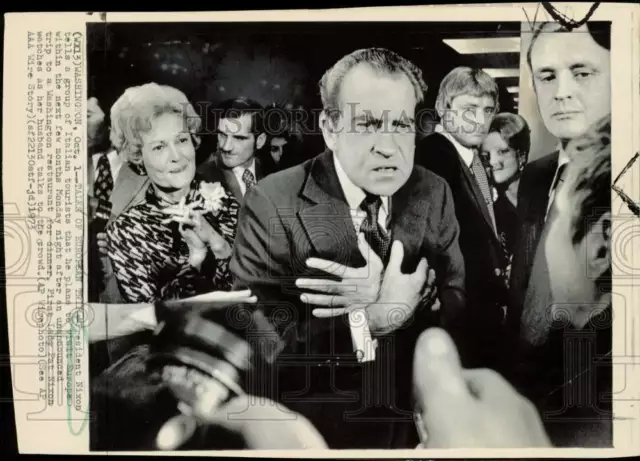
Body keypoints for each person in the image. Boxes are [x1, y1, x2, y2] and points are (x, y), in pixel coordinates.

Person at [228, 47, 466, 449]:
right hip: (324, 436)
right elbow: (261, 351)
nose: (388, 146)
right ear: (330, 127)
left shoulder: (433, 191)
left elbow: (459, 302)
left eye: (402, 124)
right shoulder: (272, 202)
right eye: (369, 123)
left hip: (421, 432)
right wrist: (370, 320)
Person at [508, 22, 611, 336]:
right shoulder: (535, 174)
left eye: (581, 73)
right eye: (547, 76)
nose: (561, 92)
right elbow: (523, 285)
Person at [106, 83, 240, 304]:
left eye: (181, 140)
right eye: (159, 147)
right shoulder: (127, 230)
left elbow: (251, 293)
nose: (177, 156)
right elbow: (152, 318)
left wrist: (218, 244)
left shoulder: (227, 205)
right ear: (139, 157)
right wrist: (195, 259)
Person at [415, 67, 507, 369]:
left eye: (488, 109)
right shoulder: (433, 158)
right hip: (454, 326)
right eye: (470, 109)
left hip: (474, 322)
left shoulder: (466, 158)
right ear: (443, 108)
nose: (480, 120)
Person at [481, 112, 531, 268]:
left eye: (502, 151)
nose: (493, 162)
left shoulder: (544, 200)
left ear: (521, 156)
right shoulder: (491, 216)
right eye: (486, 155)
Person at [198, 97, 268, 204]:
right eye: (222, 135)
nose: (226, 147)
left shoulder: (270, 170)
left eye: (239, 138)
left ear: (260, 141)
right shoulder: (203, 177)